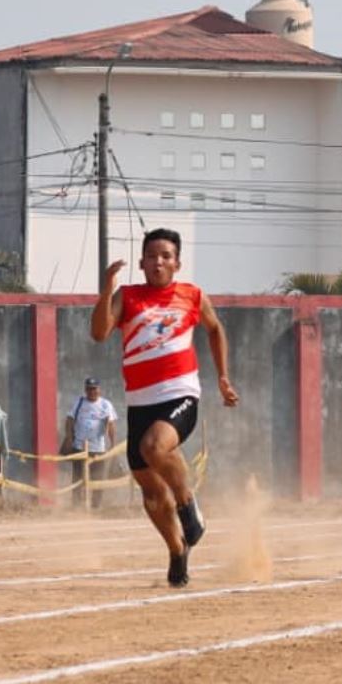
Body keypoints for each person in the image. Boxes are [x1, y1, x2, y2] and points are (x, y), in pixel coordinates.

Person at [90, 228, 239, 588]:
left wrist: (222, 377)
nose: (158, 261)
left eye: (165, 256)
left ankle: (189, 506)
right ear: (141, 263)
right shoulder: (127, 296)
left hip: (180, 394)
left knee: (154, 447)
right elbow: (99, 333)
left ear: (177, 263)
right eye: (152, 256)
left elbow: (215, 329)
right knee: (151, 492)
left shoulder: (192, 295)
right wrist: (108, 286)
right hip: (139, 401)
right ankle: (177, 550)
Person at [64, 376, 120, 511]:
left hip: (98, 448)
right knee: (77, 477)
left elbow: (111, 425)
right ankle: (76, 505)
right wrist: (69, 438)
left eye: (94, 389)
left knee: (98, 478)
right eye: (89, 389)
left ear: (99, 390)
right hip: (79, 447)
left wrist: (113, 445)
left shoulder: (106, 405)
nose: (92, 392)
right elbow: (70, 419)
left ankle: (96, 506)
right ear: (85, 389)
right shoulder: (79, 402)